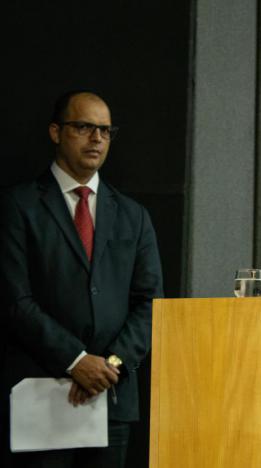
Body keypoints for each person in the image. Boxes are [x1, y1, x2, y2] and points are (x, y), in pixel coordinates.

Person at [0, 90, 163, 468]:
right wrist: (75, 361)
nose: (97, 139)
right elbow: (14, 300)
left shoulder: (133, 215)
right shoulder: (18, 206)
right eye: (84, 127)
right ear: (56, 132)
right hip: (40, 391)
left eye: (105, 131)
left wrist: (110, 365)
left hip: (111, 395)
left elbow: (149, 303)